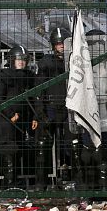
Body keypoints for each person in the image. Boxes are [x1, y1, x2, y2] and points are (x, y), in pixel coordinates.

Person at [0, 45, 41, 189]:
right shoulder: (4, 77)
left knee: (19, 149)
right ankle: (9, 184)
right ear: (12, 60)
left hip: (23, 119)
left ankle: (16, 181)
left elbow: (34, 99)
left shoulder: (30, 77)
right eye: (18, 59)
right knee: (9, 149)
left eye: (24, 59)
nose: (21, 62)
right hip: (5, 119)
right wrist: (10, 114)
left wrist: (35, 116)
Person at [35, 27, 71, 188]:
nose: (61, 46)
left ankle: (72, 178)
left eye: (63, 43)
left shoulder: (74, 61)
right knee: (43, 145)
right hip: (50, 107)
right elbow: (39, 89)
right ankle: (41, 183)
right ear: (53, 45)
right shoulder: (46, 63)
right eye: (58, 44)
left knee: (72, 144)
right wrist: (40, 111)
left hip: (69, 107)